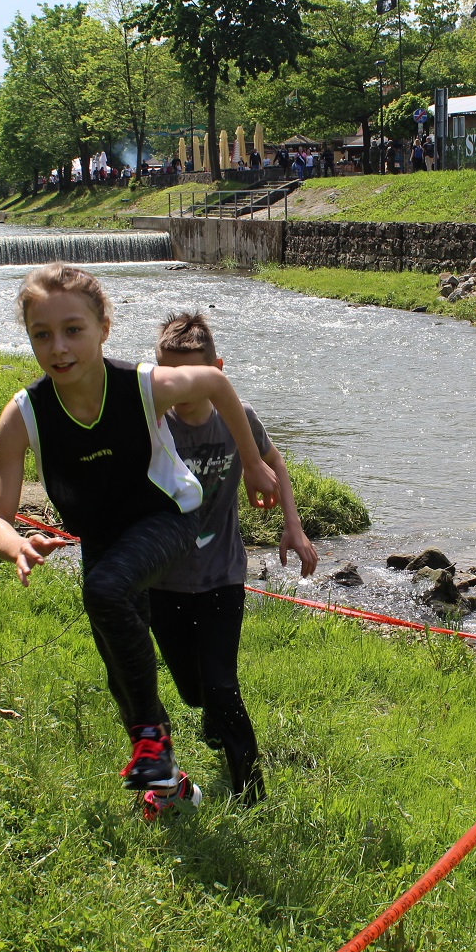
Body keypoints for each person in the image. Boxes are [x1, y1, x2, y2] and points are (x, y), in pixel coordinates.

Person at [0, 264, 280, 818]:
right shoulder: (23, 416)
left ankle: (156, 741)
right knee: (122, 670)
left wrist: (254, 462)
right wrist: (15, 544)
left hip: (170, 518)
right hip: (105, 543)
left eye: (73, 330)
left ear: (104, 328)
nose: (59, 348)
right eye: (42, 335)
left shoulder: (142, 385)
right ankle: (169, 786)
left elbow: (216, 383)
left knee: (104, 591)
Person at [147, 312, 317, 813]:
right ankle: (212, 715)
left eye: (191, 375)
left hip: (222, 574)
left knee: (222, 683)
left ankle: (252, 795)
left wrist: (293, 525)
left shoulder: (236, 418)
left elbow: (273, 460)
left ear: (216, 371)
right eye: (167, 375)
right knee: (193, 689)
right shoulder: (152, 425)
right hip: (164, 580)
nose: (178, 387)